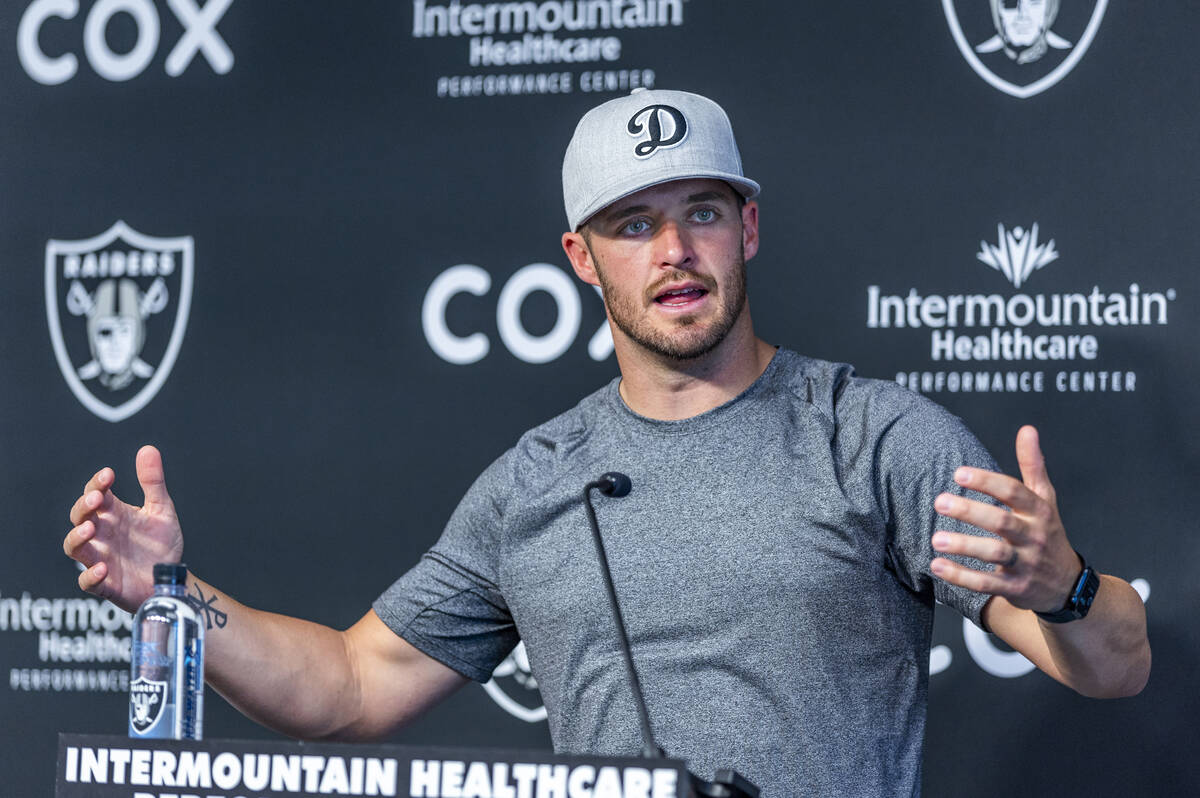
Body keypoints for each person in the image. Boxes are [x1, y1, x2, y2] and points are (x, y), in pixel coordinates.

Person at [64, 89, 1150, 797]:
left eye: (703, 212)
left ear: (750, 228)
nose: (675, 250)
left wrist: (1064, 588)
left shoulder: (874, 436)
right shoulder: (531, 483)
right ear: (583, 261)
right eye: (634, 226)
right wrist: (172, 594)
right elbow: (349, 685)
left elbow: (1117, 662)